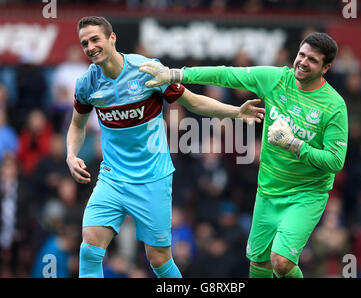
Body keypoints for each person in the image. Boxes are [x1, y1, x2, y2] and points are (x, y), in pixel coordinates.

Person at [66, 16, 264, 278]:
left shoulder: (146, 70)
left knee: (158, 260)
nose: (90, 47)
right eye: (84, 43)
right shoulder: (87, 84)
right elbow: (76, 125)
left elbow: (193, 102)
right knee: (90, 249)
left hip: (152, 179)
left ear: (112, 38)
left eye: (95, 39)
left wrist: (236, 112)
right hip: (112, 178)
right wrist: (70, 155)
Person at [140, 32, 348, 278]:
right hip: (269, 190)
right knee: (260, 264)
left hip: (306, 194)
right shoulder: (276, 79)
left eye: (312, 60)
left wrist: (294, 144)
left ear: (326, 67)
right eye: (301, 55)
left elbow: (335, 161)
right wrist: (177, 74)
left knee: (281, 261)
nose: (302, 62)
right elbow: (226, 75)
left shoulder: (334, 106)